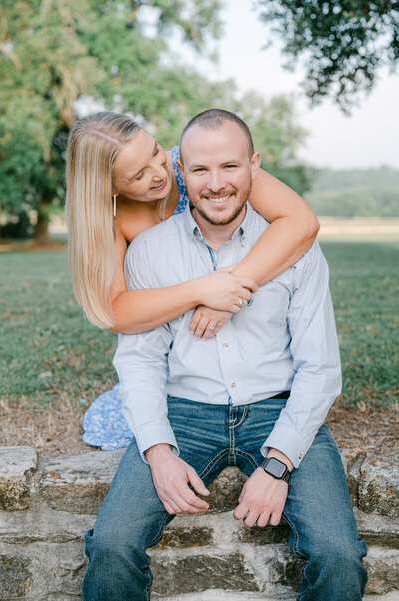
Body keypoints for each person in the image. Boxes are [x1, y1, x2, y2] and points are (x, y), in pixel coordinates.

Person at [82, 109, 367, 600]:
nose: (215, 184)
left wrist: (278, 463)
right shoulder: (147, 249)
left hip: (277, 405)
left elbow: (320, 366)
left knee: (339, 555)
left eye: (230, 168)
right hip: (185, 411)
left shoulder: (293, 246)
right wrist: (159, 451)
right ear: (184, 171)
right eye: (199, 171)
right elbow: (139, 355)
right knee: (110, 544)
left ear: (254, 166)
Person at [65, 110, 319, 450]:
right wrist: (200, 291)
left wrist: (230, 291)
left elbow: (301, 221)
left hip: (249, 335)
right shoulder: (112, 222)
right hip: (181, 347)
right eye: (139, 175)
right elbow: (116, 312)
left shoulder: (199, 167)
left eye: (155, 152)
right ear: (109, 187)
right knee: (122, 422)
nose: (160, 173)